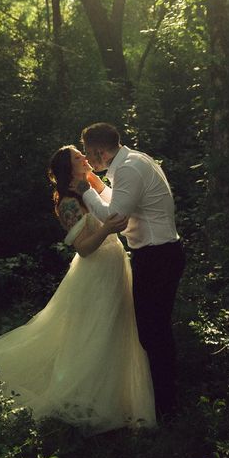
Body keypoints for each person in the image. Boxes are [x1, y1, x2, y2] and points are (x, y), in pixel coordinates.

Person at [0, 145, 156, 435]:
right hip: (96, 271)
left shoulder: (89, 186)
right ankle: (87, 395)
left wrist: (96, 182)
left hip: (115, 266)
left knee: (117, 328)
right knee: (95, 332)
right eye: (79, 157)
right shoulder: (67, 203)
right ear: (68, 168)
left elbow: (112, 203)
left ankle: (117, 394)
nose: (86, 159)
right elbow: (85, 249)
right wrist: (106, 230)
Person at [73, 123, 185, 420]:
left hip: (157, 257)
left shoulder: (130, 169)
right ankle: (164, 399)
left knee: (153, 332)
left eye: (87, 152)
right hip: (158, 255)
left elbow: (115, 216)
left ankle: (167, 405)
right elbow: (120, 200)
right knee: (153, 330)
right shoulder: (133, 161)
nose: (86, 158)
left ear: (98, 151)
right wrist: (97, 188)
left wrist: (85, 190)